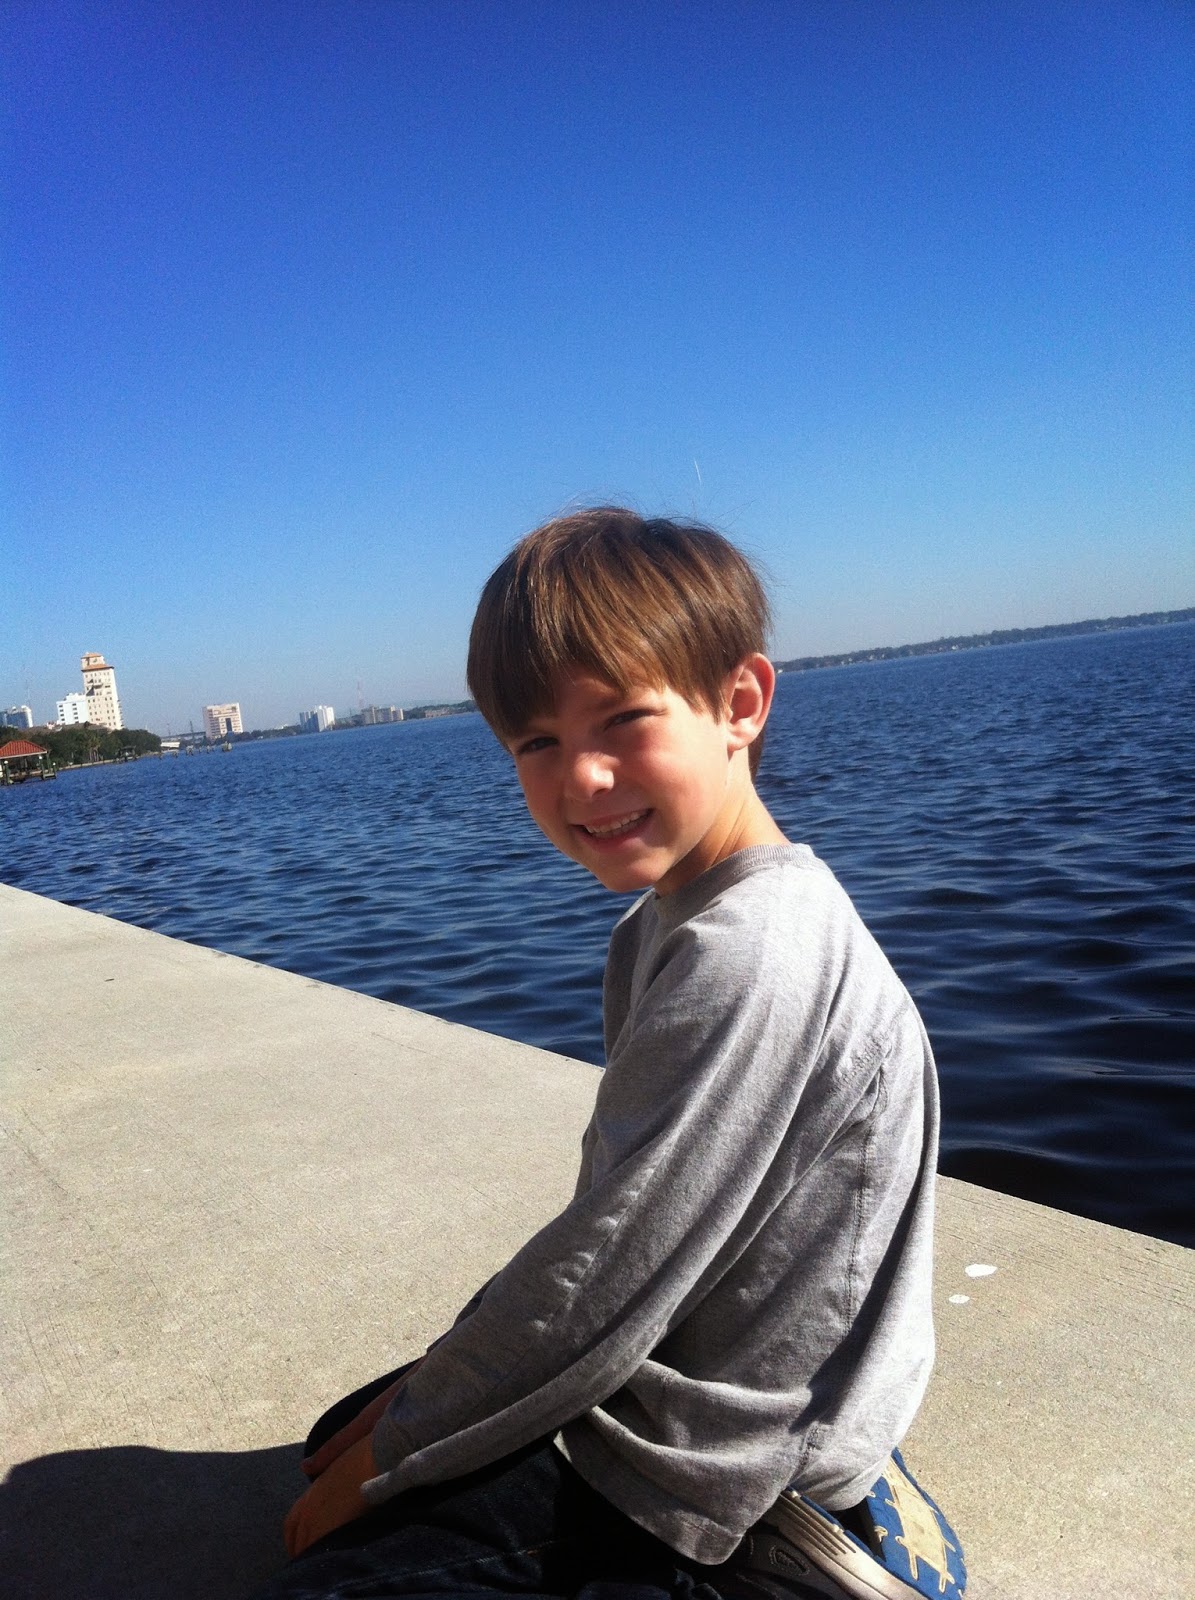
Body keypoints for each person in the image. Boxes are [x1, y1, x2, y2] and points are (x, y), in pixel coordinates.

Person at [254, 509, 965, 1600]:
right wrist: (411, 1408)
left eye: (622, 719)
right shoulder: (664, 922)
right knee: (341, 1432)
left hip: (713, 1459)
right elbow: (615, 1223)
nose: (580, 778)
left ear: (740, 704)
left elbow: (608, 1270)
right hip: (678, 1344)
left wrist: (396, 1454)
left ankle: (792, 1552)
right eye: (535, 742)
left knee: (334, 1554)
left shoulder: (753, 952)